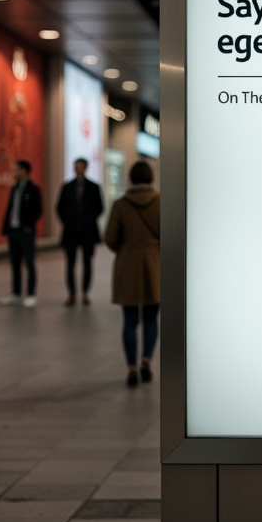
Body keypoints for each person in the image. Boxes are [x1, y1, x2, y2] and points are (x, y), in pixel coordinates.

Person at [104, 160, 160, 387]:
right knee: (150, 317)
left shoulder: (120, 204)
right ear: (151, 178)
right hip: (154, 265)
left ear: (131, 179)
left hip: (128, 265)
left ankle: (131, 368)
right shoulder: (161, 202)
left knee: (129, 320)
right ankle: (147, 359)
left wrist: (126, 249)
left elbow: (109, 237)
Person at [56, 157, 104, 306]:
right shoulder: (67, 186)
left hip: (88, 231)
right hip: (71, 231)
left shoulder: (94, 187)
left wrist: (89, 219)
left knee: (87, 262)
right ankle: (71, 293)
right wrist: (67, 221)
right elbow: (59, 207)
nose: (79, 169)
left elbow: (100, 207)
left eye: (81, 166)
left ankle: (85, 291)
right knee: (70, 263)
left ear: (86, 168)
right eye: (77, 166)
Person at [0, 159, 42, 307]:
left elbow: (38, 210)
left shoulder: (33, 189)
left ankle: (31, 294)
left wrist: (29, 225)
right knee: (15, 263)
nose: (14, 172)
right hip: (13, 231)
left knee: (29, 263)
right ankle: (16, 293)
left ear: (24, 170)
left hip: (26, 232)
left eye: (17, 169)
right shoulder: (14, 188)